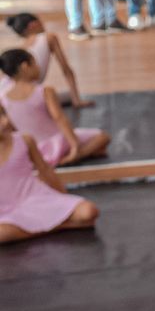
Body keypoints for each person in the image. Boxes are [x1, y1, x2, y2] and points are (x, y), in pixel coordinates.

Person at [0, 103, 99, 244]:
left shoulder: (24, 140)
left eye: (3, 114)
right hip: (6, 212)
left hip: (36, 199)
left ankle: (38, 229)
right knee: (2, 234)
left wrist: (65, 200)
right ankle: (60, 226)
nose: (5, 121)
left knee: (90, 211)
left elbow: (45, 170)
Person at [0, 50, 109, 167]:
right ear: (25, 66)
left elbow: (10, 126)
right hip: (57, 143)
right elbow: (59, 118)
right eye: (35, 64)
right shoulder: (45, 91)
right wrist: (75, 145)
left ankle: (46, 160)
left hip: (31, 149)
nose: (38, 68)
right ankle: (70, 157)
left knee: (98, 147)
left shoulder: (3, 98)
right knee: (102, 137)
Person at [4, 13, 91, 106]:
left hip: (5, 90)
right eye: (41, 22)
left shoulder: (22, 48)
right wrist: (76, 100)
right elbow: (66, 69)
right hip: (19, 94)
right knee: (66, 95)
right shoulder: (49, 37)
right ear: (33, 25)